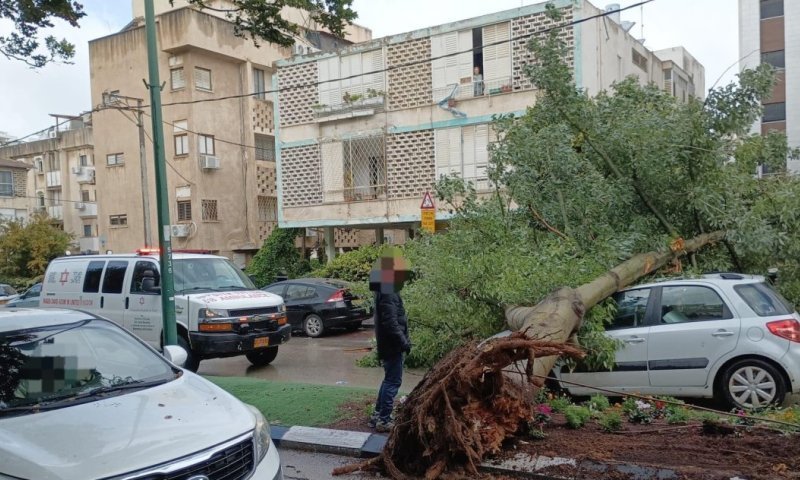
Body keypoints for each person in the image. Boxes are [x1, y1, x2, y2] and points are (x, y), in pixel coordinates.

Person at [367, 249, 411, 432]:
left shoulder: (383, 291)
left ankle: (378, 414)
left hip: (387, 343)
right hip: (392, 344)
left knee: (388, 380)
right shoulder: (388, 292)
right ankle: (384, 419)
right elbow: (391, 322)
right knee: (393, 381)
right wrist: (404, 342)